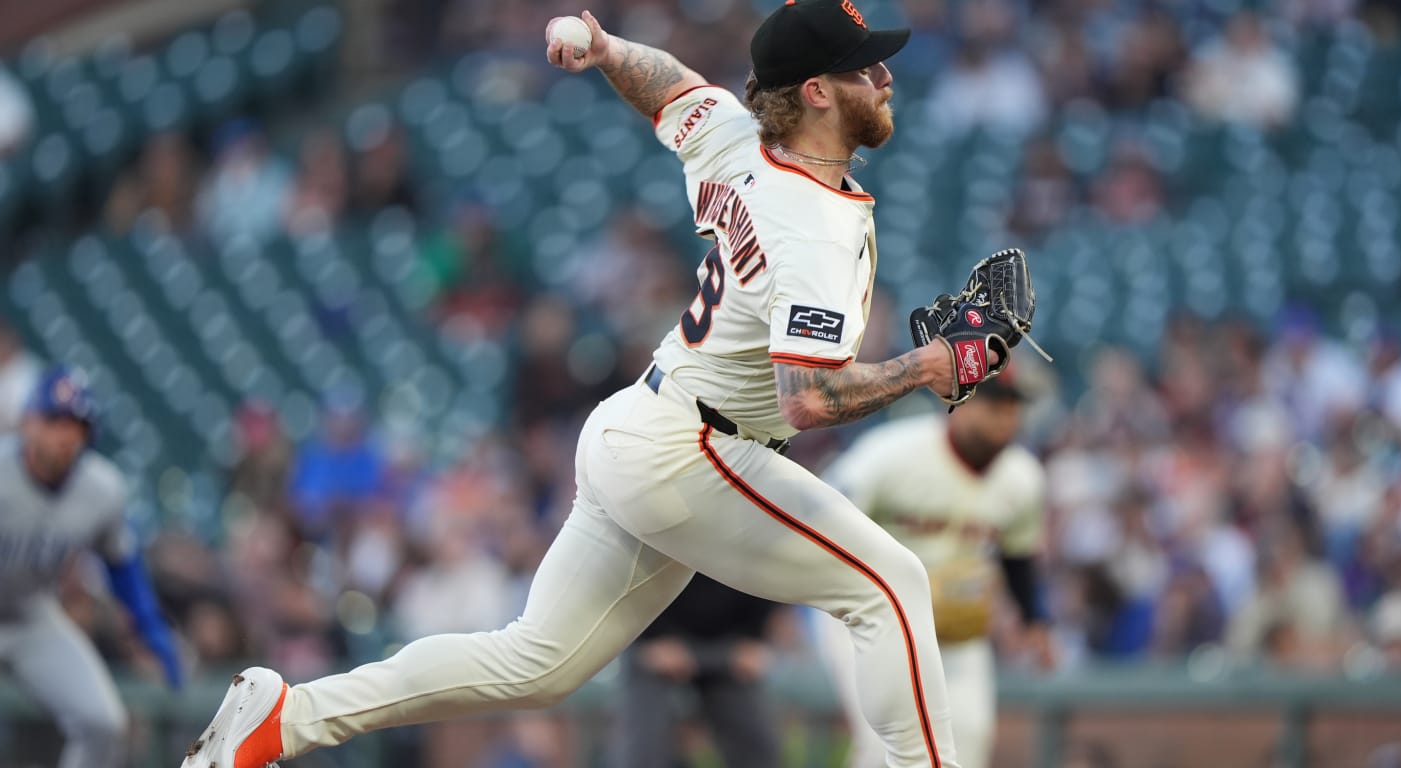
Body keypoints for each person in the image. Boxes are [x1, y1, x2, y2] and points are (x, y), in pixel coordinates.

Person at [182, 3, 984, 766]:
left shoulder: (738, 138)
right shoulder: (813, 224)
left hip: (644, 425)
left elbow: (668, 85)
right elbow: (805, 399)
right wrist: (931, 366)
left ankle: (286, 718)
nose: (885, 77)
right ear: (816, 92)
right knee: (889, 583)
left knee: (535, 663)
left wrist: (605, 51)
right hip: (695, 450)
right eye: (863, 68)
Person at [816, 370, 1050, 768]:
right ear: (959, 402)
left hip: (955, 620)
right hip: (869, 610)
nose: (1005, 419)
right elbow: (825, 518)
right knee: (884, 743)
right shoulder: (891, 452)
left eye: (1013, 408)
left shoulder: (1023, 477)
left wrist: (1034, 620)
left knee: (968, 738)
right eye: (994, 405)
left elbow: (1018, 555)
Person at [0, 367, 182, 768]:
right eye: (53, 420)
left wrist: (150, 626)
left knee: (104, 724)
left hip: (32, 617)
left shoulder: (101, 489)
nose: (64, 435)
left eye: (76, 425)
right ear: (27, 421)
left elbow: (122, 564)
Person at [608, 574, 782, 768]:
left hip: (732, 642)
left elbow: (769, 572)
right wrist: (652, 634)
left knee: (756, 740)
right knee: (643, 743)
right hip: (655, 638)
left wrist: (754, 636)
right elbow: (628, 572)